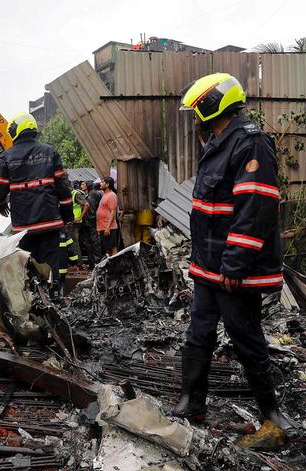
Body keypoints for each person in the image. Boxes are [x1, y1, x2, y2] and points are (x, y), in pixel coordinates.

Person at [173, 72, 296, 438]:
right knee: (199, 333)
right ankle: (192, 402)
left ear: (213, 104)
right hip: (208, 266)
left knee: (246, 338)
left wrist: (235, 262)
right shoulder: (217, 142)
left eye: (196, 110)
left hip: (232, 269)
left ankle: (272, 411)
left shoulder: (250, 144)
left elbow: (254, 207)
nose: (194, 118)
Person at [0, 112, 73, 300]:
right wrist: (67, 217)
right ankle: (54, 301)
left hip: (22, 227)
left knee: (26, 266)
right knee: (51, 265)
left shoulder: (7, 156)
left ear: (17, 130)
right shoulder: (50, 152)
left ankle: (32, 302)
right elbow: (63, 189)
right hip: (50, 223)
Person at [97, 176, 119, 257]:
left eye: (102, 182)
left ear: (107, 184)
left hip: (109, 227)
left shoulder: (112, 195)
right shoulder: (105, 194)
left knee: (113, 248)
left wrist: (108, 227)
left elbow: (113, 212)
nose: (100, 183)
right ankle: (111, 266)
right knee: (108, 248)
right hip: (103, 226)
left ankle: (115, 265)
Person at [70, 180, 90, 267]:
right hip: (71, 222)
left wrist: (80, 217)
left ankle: (79, 263)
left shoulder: (75, 193)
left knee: (74, 242)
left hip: (75, 222)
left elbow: (86, 204)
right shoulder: (71, 193)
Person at [58, 227, 79, 291]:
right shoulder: (63, 231)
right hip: (62, 268)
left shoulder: (44, 230)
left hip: (47, 268)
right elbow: (71, 249)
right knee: (60, 285)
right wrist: (74, 262)